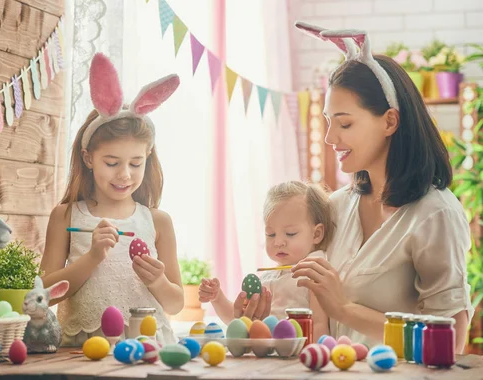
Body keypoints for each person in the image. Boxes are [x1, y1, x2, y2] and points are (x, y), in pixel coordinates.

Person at [289, 22, 473, 351]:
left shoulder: (434, 215)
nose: (331, 138)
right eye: (328, 122)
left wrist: (345, 308)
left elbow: (451, 342)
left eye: (345, 123)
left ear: (389, 120)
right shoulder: (336, 207)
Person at [39, 53, 183, 346]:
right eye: (112, 162)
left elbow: (176, 303)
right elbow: (42, 293)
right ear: (88, 157)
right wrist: (93, 257)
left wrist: (157, 280)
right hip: (84, 350)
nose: (124, 175)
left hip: (148, 346)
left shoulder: (158, 221)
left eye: (135, 163)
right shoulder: (65, 216)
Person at [199, 181, 334, 339]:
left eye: (290, 233)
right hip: (267, 355)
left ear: (316, 234)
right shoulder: (267, 279)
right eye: (271, 234)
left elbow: (319, 325)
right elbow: (238, 322)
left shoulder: (313, 274)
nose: (278, 242)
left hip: (297, 357)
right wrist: (217, 298)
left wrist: (313, 355)